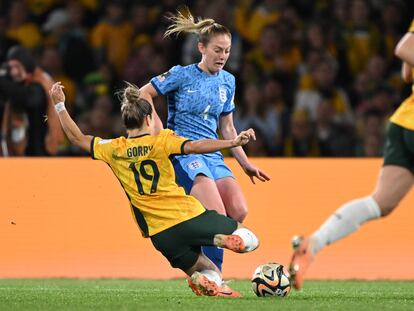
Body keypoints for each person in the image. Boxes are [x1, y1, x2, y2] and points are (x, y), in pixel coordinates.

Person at [49, 81, 259, 297]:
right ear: (148, 119)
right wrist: (231, 142)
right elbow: (195, 146)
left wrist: (60, 106)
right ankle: (226, 240)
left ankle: (204, 275)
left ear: (125, 122)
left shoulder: (112, 149)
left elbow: (77, 138)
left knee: (209, 270)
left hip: (161, 235)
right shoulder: (162, 141)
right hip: (186, 216)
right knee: (250, 238)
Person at [138, 7, 269, 272]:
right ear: (201, 48)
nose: (223, 56)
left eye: (227, 50)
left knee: (239, 210)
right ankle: (213, 274)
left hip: (213, 154)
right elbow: (143, 93)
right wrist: (157, 127)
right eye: (217, 50)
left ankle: (194, 243)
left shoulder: (229, 81)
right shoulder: (182, 74)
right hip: (186, 153)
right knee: (217, 215)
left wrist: (246, 164)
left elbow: (228, 128)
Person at [288, 19, 414, 290]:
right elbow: (404, 47)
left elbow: (406, 72)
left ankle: (314, 244)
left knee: (381, 202)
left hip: (406, 120)